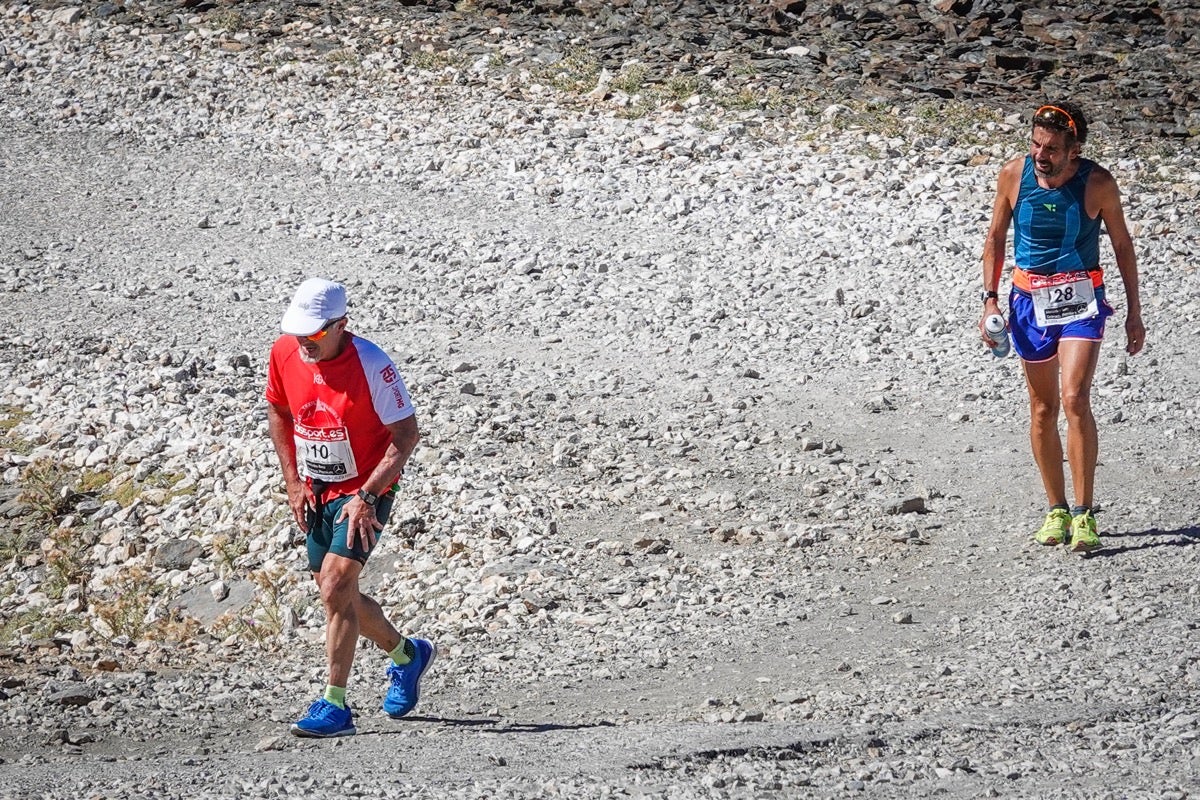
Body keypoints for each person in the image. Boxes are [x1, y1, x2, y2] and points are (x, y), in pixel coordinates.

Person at [266, 277, 434, 737]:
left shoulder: (373, 365)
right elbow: (278, 410)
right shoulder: (284, 352)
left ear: (341, 325)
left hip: (366, 489)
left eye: (315, 333)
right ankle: (408, 655)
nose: (305, 341)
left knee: (337, 584)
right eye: (299, 331)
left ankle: (335, 706)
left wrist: (368, 496)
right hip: (317, 487)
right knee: (335, 592)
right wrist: (293, 482)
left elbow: (407, 436)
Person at [980, 101, 1144, 553]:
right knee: (1042, 409)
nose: (1040, 154)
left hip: (1080, 302)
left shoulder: (1097, 183)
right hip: (1028, 302)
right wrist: (989, 299)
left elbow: (1123, 246)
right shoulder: (1014, 175)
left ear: (1075, 150)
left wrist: (1134, 311)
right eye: (1035, 144)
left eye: (1051, 148)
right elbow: (995, 238)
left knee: (1074, 398)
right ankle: (1056, 508)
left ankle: (1085, 513)